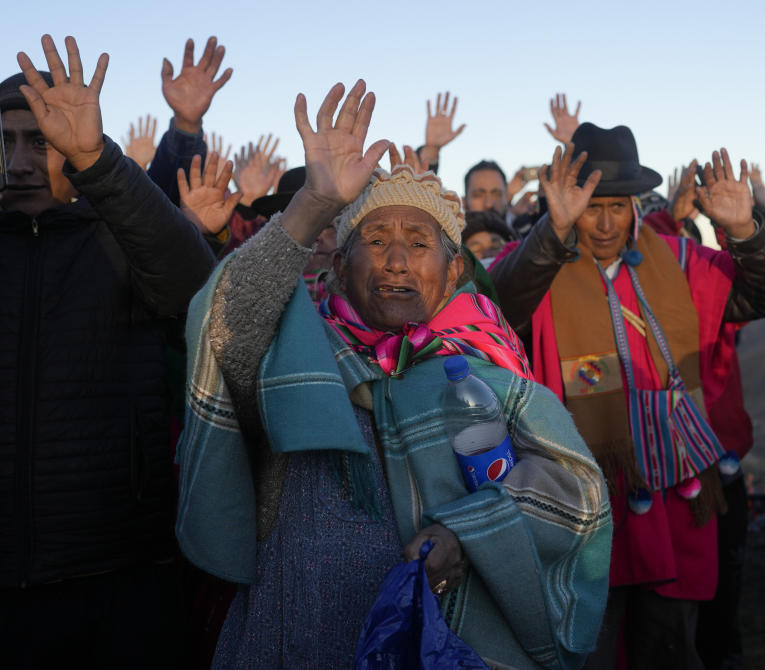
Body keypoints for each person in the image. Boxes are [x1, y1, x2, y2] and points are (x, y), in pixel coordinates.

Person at [175, 79, 612, 670]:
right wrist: (313, 205)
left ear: (454, 269)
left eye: (418, 242)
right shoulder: (297, 355)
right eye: (375, 240)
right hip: (295, 635)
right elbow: (226, 322)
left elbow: (573, 488)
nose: (397, 261)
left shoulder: (486, 370)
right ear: (337, 265)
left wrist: (467, 533)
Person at [490, 122, 765, 669]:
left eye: (618, 206)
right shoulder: (538, 266)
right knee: (591, 644)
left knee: (669, 643)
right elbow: (501, 309)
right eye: (589, 206)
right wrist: (551, 233)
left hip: (674, 490)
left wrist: (745, 229)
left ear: (635, 206)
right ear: (567, 203)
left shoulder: (679, 261)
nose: (604, 223)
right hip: (585, 495)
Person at [0, 35, 218, 668]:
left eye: (38, 142)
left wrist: (99, 161)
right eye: (5, 141)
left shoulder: (121, 240)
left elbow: (194, 288)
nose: (17, 163)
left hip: (121, 574)